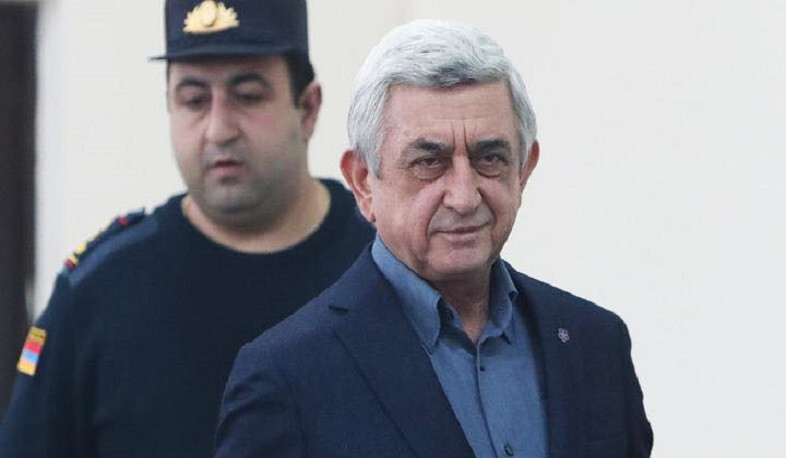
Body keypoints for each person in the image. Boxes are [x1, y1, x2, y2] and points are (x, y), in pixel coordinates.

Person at [216, 19, 654, 457]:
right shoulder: (287, 376)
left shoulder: (595, 343)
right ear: (363, 182)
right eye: (429, 162)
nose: (464, 197)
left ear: (523, 170)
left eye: (490, 158)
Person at [0, 0, 374, 456]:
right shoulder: (97, 292)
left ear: (308, 108)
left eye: (248, 95)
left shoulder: (386, 264)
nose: (218, 130)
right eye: (194, 100)